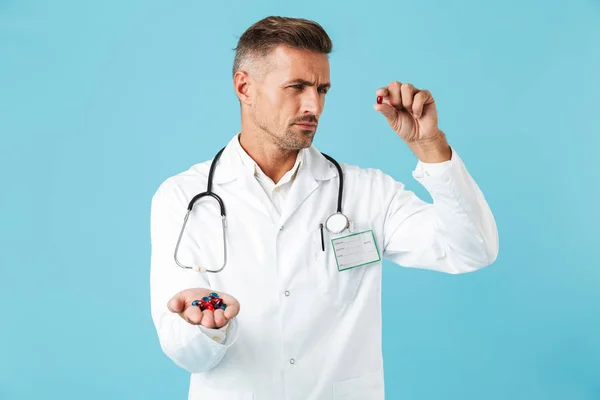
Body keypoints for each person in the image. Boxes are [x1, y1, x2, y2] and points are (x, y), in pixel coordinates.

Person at [149, 15, 499, 400]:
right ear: (244, 87)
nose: (313, 105)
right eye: (296, 87)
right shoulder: (184, 198)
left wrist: (430, 145)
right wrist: (210, 327)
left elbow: (473, 249)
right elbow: (183, 350)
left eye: (322, 89)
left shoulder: (367, 193)